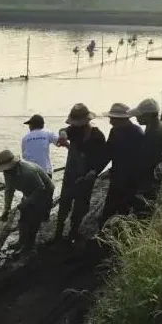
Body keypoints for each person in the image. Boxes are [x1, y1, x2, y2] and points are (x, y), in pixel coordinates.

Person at [54, 104, 107, 243]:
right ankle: (58, 233)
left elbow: (103, 158)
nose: (75, 126)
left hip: (86, 176)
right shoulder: (73, 130)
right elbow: (64, 130)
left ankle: (74, 231)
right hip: (70, 175)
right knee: (64, 204)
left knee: (80, 207)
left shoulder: (97, 136)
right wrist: (62, 134)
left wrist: (94, 172)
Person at [96, 103, 145, 226]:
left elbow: (141, 161)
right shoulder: (114, 131)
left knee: (124, 212)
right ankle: (101, 236)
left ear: (122, 119)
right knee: (107, 211)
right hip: (116, 179)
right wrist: (95, 171)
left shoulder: (137, 134)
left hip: (131, 182)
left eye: (112, 119)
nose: (110, 122)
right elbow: (107, 153)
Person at [0, 150, 55, 251]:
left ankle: (30, 245)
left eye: (7, 169)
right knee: (23, 218)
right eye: (4, 169)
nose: (6, 171)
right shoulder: (8, 173)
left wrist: (27, 202)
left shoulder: (28, 171)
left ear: (14, 165)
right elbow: (9, 190)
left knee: (35, 219)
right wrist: (7, 209)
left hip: (45, 192)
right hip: (29, 191)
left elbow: (41, 187)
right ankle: (21, 241)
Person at [129, 99, 162, 217]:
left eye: (139, 115)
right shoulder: (154, 127)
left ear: (148, 116)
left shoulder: (155, 134)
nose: (136, 118)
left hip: (150, 179)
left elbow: (147, 162)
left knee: (144, 209)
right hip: (153, 175)